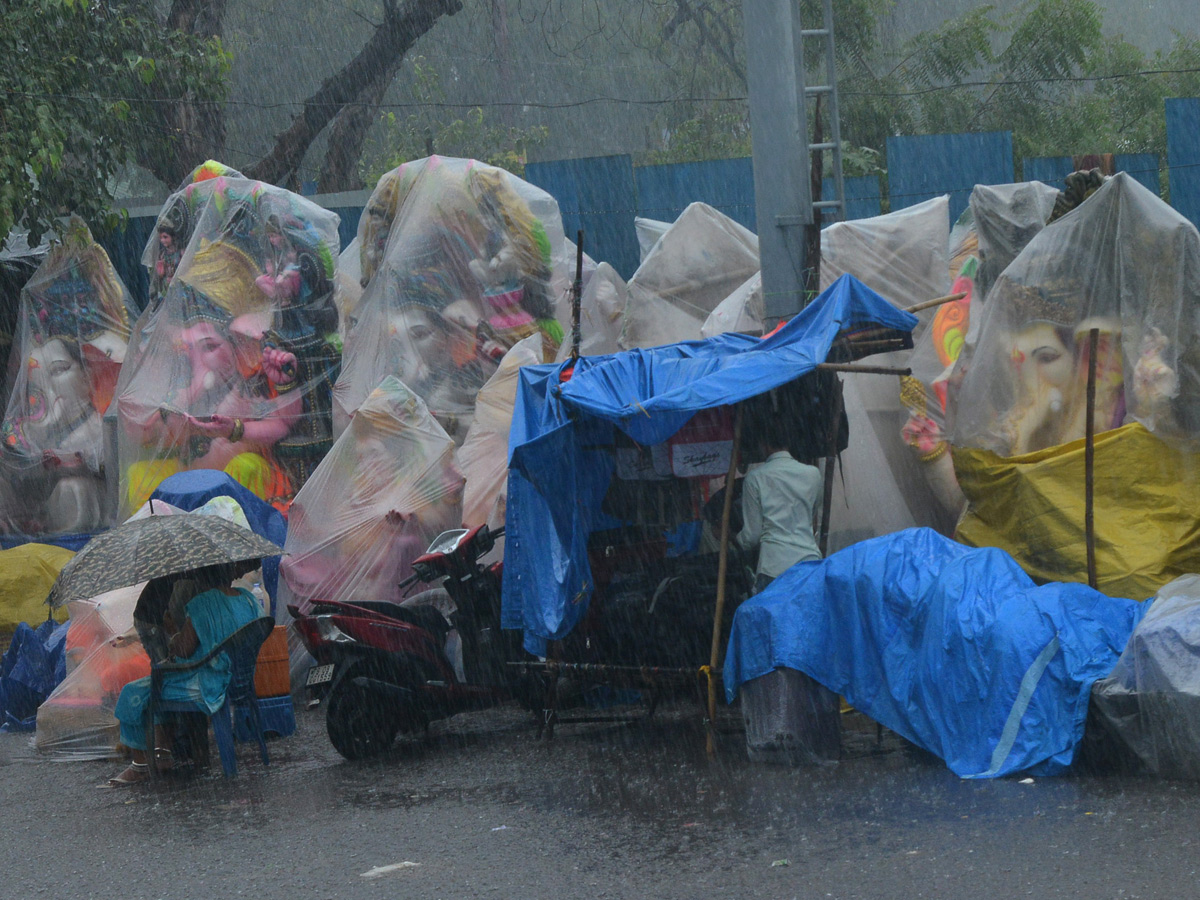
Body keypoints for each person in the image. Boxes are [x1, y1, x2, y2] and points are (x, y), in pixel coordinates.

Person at [107, 563, 264, 786]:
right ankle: (163, 752)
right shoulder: (248, 599)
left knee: (134, 692)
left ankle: (141, 765)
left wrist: (173, 631)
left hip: (206, 682)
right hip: (239, 680)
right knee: (154, 688)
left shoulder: (201, 604)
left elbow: (182, 649)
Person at [735, 422, 823, 594]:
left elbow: (752, 536)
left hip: (774, 567)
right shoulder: (813, 474)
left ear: (764, 445)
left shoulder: (755, 478)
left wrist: (735, 540)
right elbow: (811, 514)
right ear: (788, 443)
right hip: (809, 563)